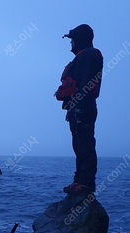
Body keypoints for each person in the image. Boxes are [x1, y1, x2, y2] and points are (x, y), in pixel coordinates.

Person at [55, 24, 103, 195]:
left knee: (85, 144)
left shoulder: (89, 55)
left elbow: (85, 83)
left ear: (80, 39)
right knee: (79, 144)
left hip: (83, 107)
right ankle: (79, 180)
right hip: (78, 107)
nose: (71, 43)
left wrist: (79, 108)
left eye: (72, 39)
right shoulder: (84, 56)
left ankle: (86, 183)